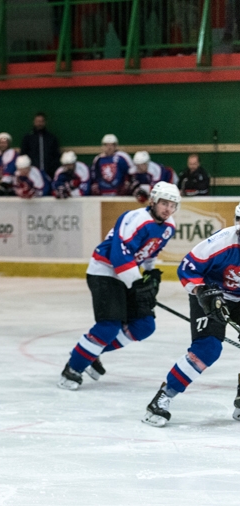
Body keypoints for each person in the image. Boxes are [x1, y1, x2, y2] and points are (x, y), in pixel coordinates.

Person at [58, 182, 180, 391]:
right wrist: (137, 284)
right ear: (153, 201)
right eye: (164, 203)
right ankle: (73, 367)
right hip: (104, 271)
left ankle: (89, 352)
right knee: (109, 326)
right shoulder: (135, 219)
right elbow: (118, 255)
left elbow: (151, 251)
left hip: (127, 275)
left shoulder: (169, 226)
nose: (168, 209)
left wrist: (150, 272)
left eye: (173, 205)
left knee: (144, 326)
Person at [143, 203, 240, 427]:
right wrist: (202, 291)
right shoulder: (220, 243)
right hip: (211, 294)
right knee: (208, 349)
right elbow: (187, 268)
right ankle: (164, 396)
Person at [20, 112, 60, 178]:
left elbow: (56, 156)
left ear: (45, 122)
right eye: (38, 121)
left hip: (49, 174)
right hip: (32, 174)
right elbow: (23, 155)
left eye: (41, 121)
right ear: (34, 122)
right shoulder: (27, 138)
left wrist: (53, 169)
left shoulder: (52, 138)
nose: (39, 124)